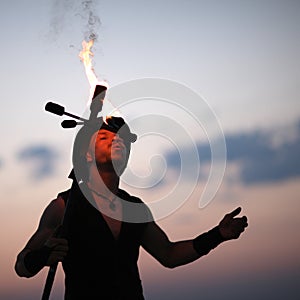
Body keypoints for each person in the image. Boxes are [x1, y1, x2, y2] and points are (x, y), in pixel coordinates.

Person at [15, 116, 248, 299]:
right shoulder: (63, 206)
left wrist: (217, 235)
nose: (118, 142)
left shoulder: (135, 208)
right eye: (106, 139)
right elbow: (21, 266)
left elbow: (169, 254)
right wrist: (42, 256)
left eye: (122, 141)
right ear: (86, 155)